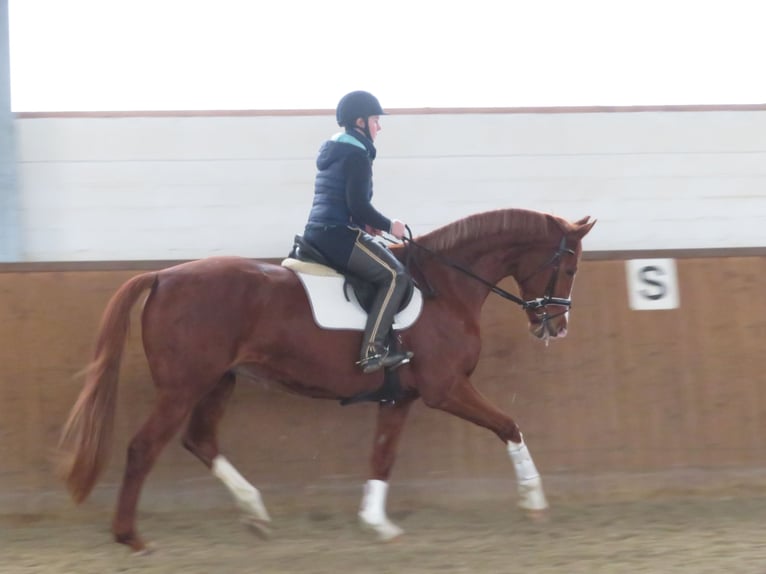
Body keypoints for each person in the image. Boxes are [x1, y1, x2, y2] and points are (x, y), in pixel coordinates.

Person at [302, 90, 414, 374]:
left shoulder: (338, 150)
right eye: (376, 120)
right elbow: (359, 204)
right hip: (337, 234)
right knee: (395, 275)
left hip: (321, 230)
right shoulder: (356, 155)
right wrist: (391, 226)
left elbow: (344, 202)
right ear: (360, 122)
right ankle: (372, 351)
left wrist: (365, 222)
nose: (379, 126)